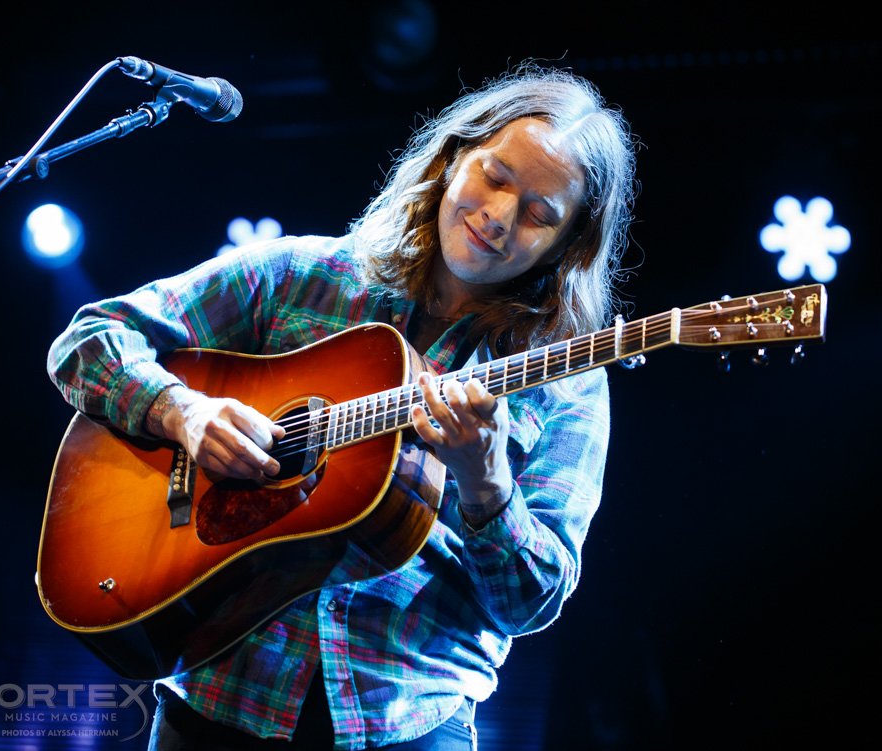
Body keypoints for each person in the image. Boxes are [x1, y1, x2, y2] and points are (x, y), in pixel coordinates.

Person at [47, 63, 636, 750]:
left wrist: (486, 482)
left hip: (409, 718)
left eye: (540, 215)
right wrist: (185, 413)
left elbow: (533, 602)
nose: (499, 217)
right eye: (495, 176)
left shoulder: (567, 383)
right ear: (453, 160)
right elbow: (86, 340)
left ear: (570, 244)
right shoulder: (303, 275)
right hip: (219, 695)